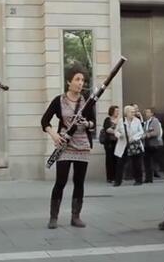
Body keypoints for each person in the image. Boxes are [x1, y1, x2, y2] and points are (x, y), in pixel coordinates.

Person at [41, 64, 95, 229]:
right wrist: (54, 135)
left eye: (82, 80)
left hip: (83, 145)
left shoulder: (87, 101)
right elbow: (45, 121)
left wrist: (86, 123)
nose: (80, 83)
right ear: (68, 81)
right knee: (61, 181)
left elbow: (93, 124)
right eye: (77, 79)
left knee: (79, 182)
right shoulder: (59, 100)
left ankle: (76, 216)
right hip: (65, 146)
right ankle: (53, 217)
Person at [113, 105, 144, 186]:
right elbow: (116, 131)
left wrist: (134, 138)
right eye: (131, 112)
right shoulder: (121, 121)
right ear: (126, 113)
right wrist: (119, 135)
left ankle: (138, 180)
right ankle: (118, 181)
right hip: (123, 145)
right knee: (120, 163)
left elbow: (141, 132)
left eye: (134, 112)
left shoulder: (137, 121)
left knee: (136, 163)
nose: (133, 113)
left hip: (134, 145)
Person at [142, 107, 164, 183]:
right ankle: (148, 178)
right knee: (147, 162)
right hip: (147, 145)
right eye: (146, 112)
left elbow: (157, 132)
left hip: (155, 144)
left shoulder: (155, 121)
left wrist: (148, 134)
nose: (146, 113)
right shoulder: (146, 122)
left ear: (152, 113)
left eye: (148, 112)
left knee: (160, 161)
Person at [102, 106, 119, 183]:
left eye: (118, 111)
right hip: (109, 143)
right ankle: (110, 177)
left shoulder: (120, 120)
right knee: (109, 160)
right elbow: (108, 130)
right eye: (116, 111)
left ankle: (116, 176)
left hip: (117, 142)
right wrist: (116, 131)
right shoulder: (107, 120)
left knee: (116, 159)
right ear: (112, 112)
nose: (117, 113)